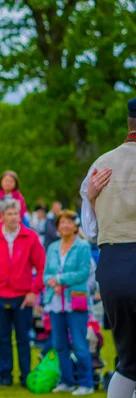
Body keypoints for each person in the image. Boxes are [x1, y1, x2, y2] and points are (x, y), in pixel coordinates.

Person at [80, 97, 136, 398]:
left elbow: (89, 229)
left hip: (112, 264)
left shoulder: (101, 163)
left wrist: (91, 199)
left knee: (128, 361)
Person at [0, 197, 45, 387]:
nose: (14, 217)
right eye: (9, 214)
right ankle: (4, 376)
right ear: (1, 216)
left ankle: (25, 377)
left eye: (16, 213)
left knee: (24, 338)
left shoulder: (30, 237)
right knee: (2, 338)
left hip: (23, 296)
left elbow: (41, 267)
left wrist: (33, 292)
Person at [42, 210, 94, 395]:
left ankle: (87, 383)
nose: (65, 225)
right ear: (57, 226)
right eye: (61, 222)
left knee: (79, 343)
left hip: (75, 301)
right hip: (55, 301)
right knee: (59, 344)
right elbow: (46, 273)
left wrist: (60, 279)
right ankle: (67, 380)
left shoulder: (82, 246)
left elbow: (82, 273)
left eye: (68, 222)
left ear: (75, 225)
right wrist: (52, 281)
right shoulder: (52, 247)